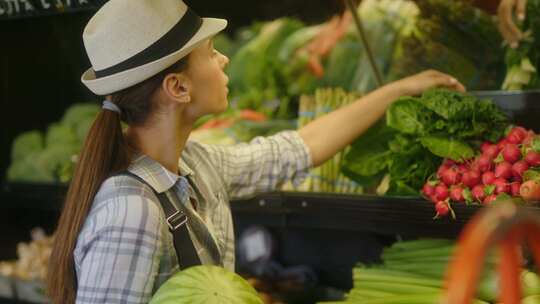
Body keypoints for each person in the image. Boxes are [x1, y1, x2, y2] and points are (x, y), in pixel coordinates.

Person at [45, 0, 465, 303]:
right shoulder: (131, 211)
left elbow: (297, 149)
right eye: (210, 53)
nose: (224, 60)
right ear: (178, 87)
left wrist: (396, 91)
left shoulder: (196, 165)